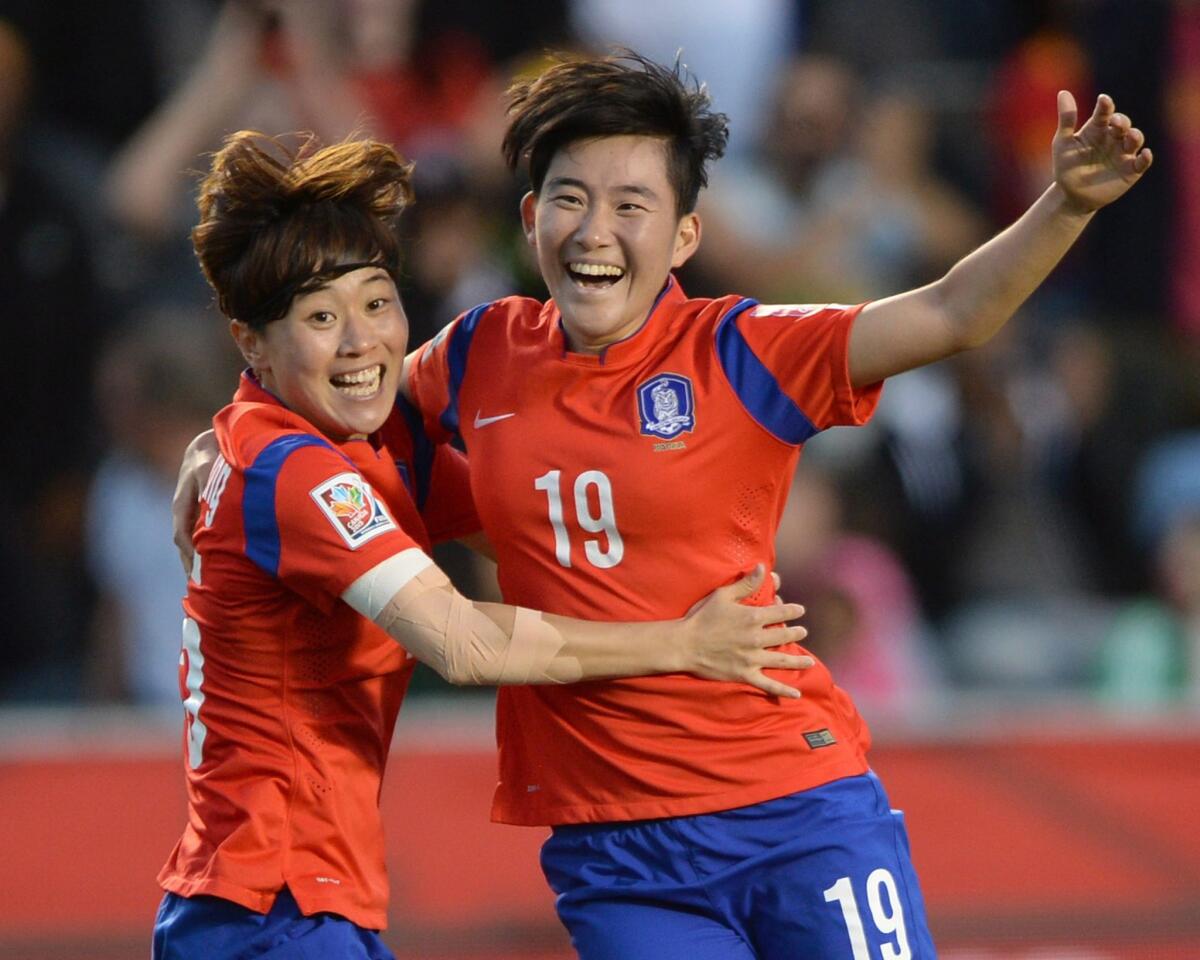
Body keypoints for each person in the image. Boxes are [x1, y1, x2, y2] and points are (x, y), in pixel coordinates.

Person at [175, 50, 1151, 959]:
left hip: (794, 804)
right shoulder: (476, 354)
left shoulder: (741, 353)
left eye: (630, 204)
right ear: (528, 221)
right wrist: (221, 442)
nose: (595, 231)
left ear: (686, 235)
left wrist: (1063, 205)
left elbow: (947, 312)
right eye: (570, 198)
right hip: (617, 852)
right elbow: (331, 417)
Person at [155, 128, 813, 960]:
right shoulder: (295, 472)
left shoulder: (350, 446)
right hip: (268, 908)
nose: (363, 342)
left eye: (377, 302)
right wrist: (685, 643)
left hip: (284, 903)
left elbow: (541, 539)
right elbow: (463, 643)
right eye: (322, 318)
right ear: (250, 341)